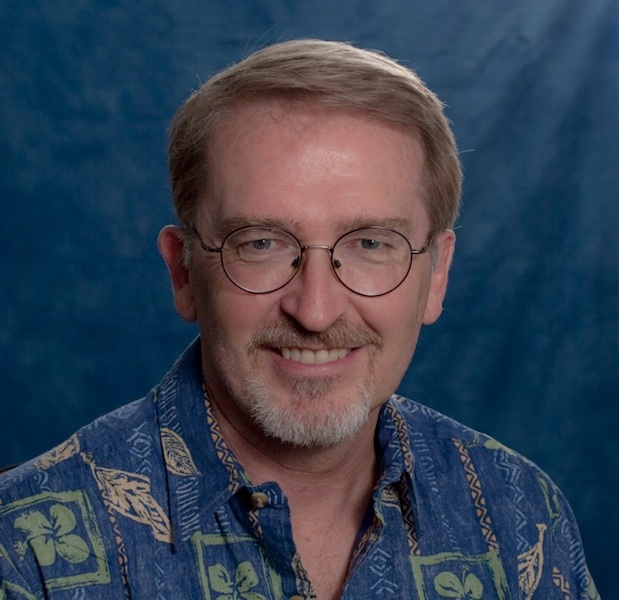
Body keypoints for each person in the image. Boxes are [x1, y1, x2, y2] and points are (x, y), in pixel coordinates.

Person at [0, 39, 598, 600]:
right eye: (261, 243)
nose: (315, 310)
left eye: (370, 244)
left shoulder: (522, 514)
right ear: (183, 272)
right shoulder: (25, 549)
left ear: (436, 274)